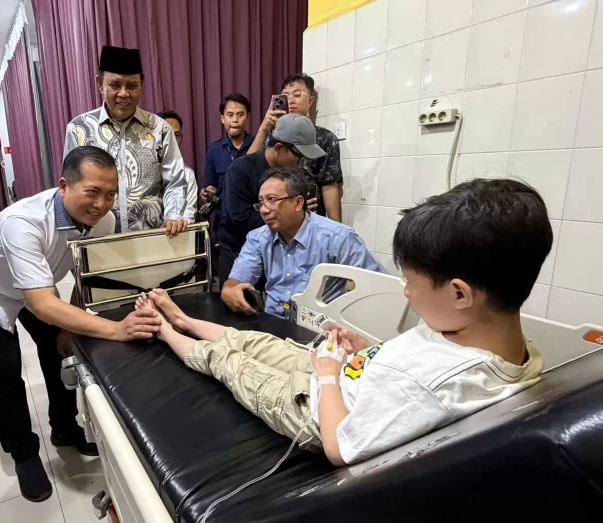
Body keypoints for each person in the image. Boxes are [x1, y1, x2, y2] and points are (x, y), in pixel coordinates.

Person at [140, 177, 551, 466]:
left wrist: (329, 376)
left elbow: (339, 446)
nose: (404, 292)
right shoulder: (502, 342)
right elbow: (414, 357)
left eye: (410, 283)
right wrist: (367, 349)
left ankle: (162, 329)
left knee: (227, 362)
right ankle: (183, 319)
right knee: (256, 342)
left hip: (316, 410)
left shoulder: (434, 383)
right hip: (347, 373)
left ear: (460, 293)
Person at [0, 146, 163, 503]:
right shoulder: (24, 223)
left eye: (110, 194)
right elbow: (41, 303)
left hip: (38, 283)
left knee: (60, 350)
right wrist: (115, 329)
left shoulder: (104, 221)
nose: (102, 204)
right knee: (6, 368)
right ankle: (24, 454)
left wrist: (70, 329)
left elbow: (85, 278)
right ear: (64, 186)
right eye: (92, 192)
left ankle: (65, 428)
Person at [221, 168, 382, 319]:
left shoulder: (337, 237)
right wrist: (229, 290)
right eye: (261, 202)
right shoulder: (258, 238)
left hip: (321, 330)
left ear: (298, 203)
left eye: (272, 200)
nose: (264, 210)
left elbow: (377, 285)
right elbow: (236, 280)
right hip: (273, 325)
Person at [64, 45, 188, 236]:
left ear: (142, 85)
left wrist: (174, 215)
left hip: (153, 240)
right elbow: (71, 187)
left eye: (131, 85)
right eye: (115, 85)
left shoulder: (160, 129)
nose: (124, 93)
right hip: (98, 241)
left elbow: (175, 181)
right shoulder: (79, 129)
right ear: (100, 84)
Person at [217, 113, 324, 282]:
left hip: (281, 254)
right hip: (238, 253)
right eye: (299, 156)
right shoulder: (241, 171)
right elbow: (241, 219)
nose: (302, 163)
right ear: (280, 148)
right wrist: (290, 214)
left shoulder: (295, 174)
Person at [249, 73, 344, 222]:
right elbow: (248, 166)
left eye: (297, 95)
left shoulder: (324, 138)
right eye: (286, 96)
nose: (291, 100)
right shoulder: (271, 136)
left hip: (310, 220)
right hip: (272, 219)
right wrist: (263, 128)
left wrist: (337, 231)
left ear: (310, 101)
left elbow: (329, 186)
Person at [201, 92, 254, 204]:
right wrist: (208, 192)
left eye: (240, 114)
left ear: (248, 117)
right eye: (230, 115)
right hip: (223, 216)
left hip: (252, 215)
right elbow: (210, 185)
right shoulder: (214, 150)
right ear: (222, 119)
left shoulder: (258, 146)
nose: (235, 120)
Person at [157, 109, 197, 222]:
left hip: (176, 236)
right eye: (167, 135)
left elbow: (188, 216)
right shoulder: (142, 170)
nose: (172, 141)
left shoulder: (187, 174)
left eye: (177, 135)